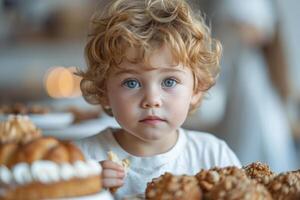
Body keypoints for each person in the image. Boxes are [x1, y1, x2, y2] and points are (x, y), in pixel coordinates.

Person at [75, 0, 240, 198]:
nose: (152, 100)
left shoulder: (213, 156)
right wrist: (85, 186)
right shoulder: (82, 162)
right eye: (131, 83)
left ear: (196, 89)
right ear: (104, 92)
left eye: (169, 82)